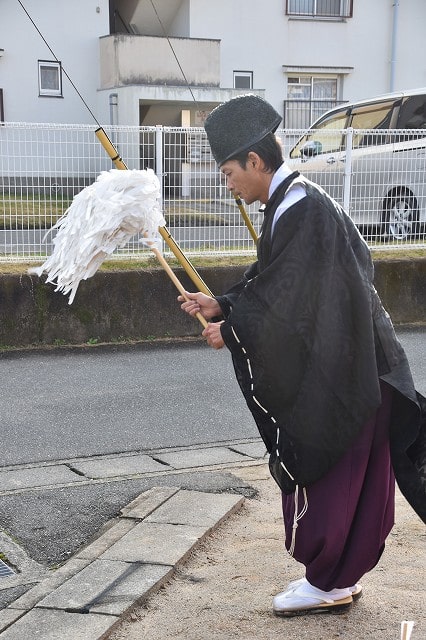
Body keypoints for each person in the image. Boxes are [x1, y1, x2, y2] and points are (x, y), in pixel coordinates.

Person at [178, 94, 426, 617]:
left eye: (228, 172)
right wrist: (222, 303)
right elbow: (277, 282)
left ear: (254, 160)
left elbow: (287, 302)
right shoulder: (297, 200)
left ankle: (328, 582)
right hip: (358, 363)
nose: (227, 185)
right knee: (356, 478)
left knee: (333, 475)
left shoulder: (301, 208)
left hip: (346, 372)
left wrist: (234, 329)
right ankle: (337, 579)